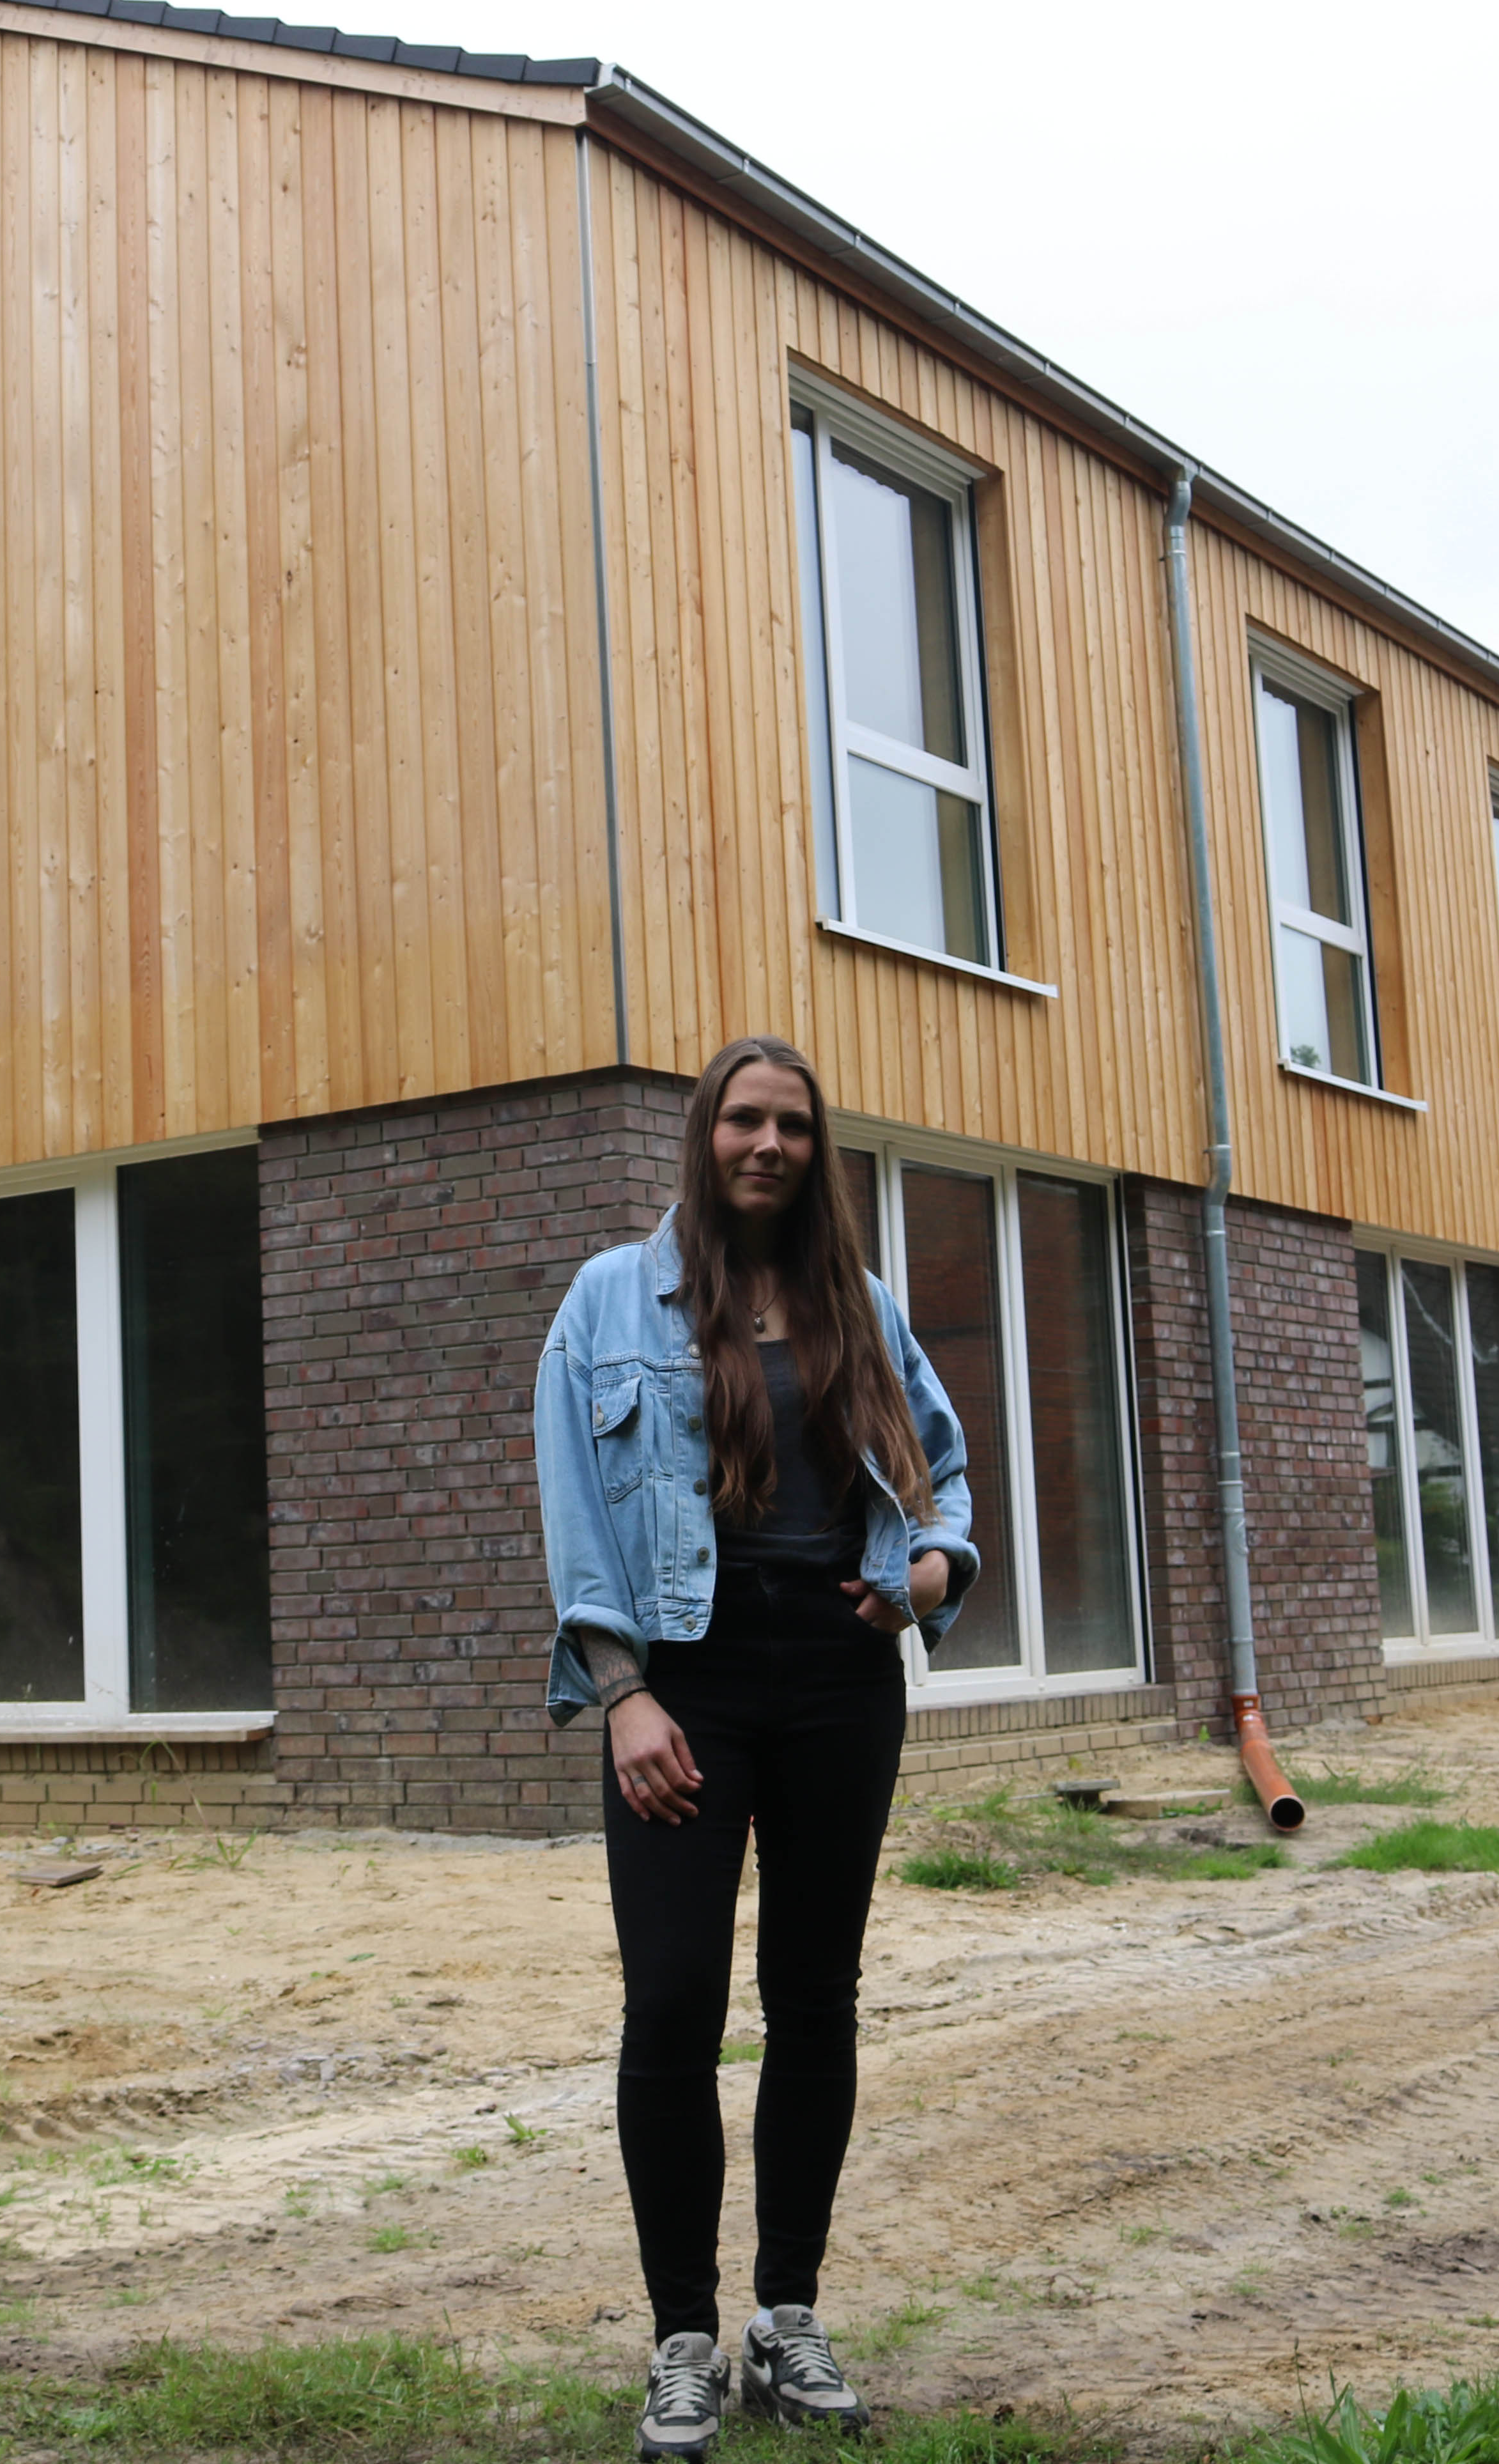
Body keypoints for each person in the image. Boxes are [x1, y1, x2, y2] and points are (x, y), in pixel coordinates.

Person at [532, 1035, 978, 2460]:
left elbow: (942, 1473)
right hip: (688, 1679)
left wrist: (930, 1570)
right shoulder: (611, 1298)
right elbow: (575, 1511)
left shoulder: (863, 1303)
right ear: (704, 1134)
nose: (767, 1144)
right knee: (671, 2002)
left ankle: (788, 2317)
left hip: (842, 1673)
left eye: (791, 1123)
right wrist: (623, 1693)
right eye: (743, 1119)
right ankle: (684, 2337)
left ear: (815, 1145)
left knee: (813, 1997)